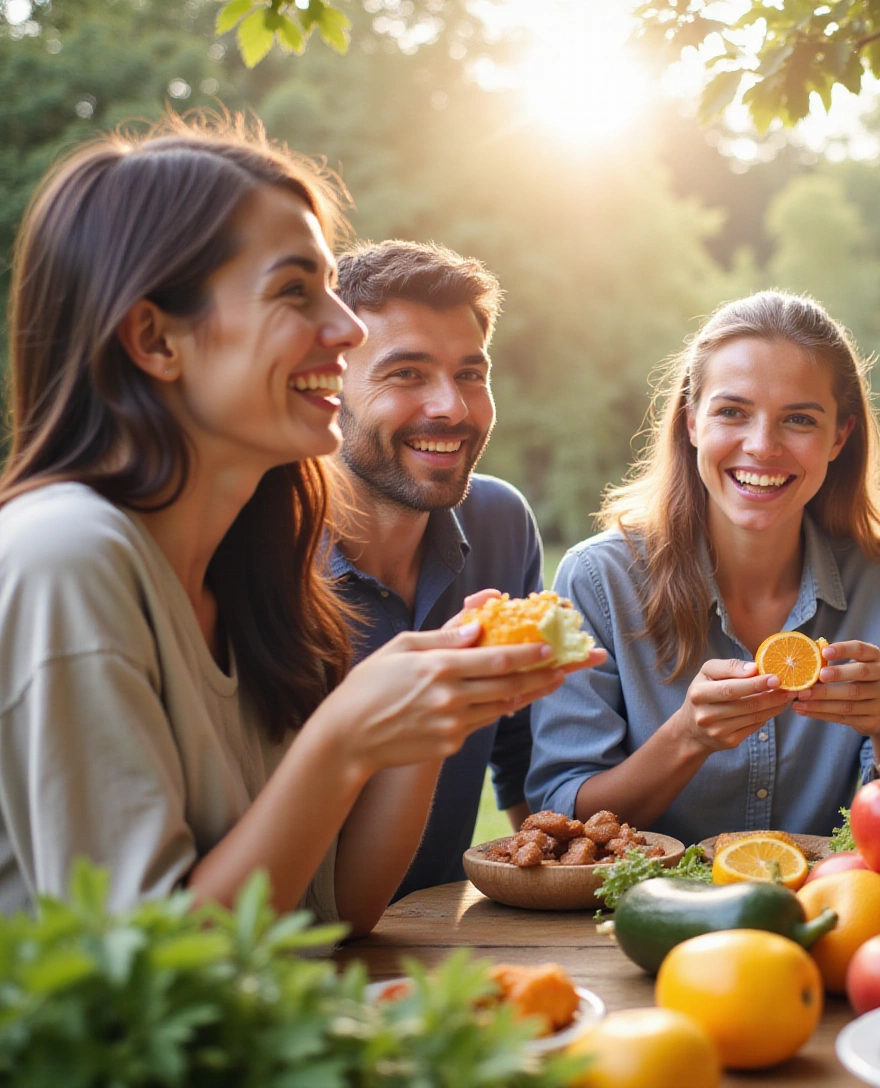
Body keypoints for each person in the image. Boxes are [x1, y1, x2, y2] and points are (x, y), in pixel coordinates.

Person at [0, 121, 594, 933]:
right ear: (153, 339)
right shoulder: (64, 558)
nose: (346, 329)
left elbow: (333, 910)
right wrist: (344, 737)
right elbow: (140, 977)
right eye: (294, 292)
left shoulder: (251, 561)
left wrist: (431, 710)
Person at [525, 291, 880, 842]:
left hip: (831, 912)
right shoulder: (599, 580)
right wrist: (687, 739)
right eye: (732, 412)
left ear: (839, 436)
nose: (762, 446)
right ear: (692, 421)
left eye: (798, 419)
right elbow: (560, 819)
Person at [329, 240, 549, 901]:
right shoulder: (253, 554)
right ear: (326, 385)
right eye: (406, 374)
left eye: (471, 375)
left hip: (441, 952)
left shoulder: (500, 523)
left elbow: (521, 758)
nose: (451, 408)